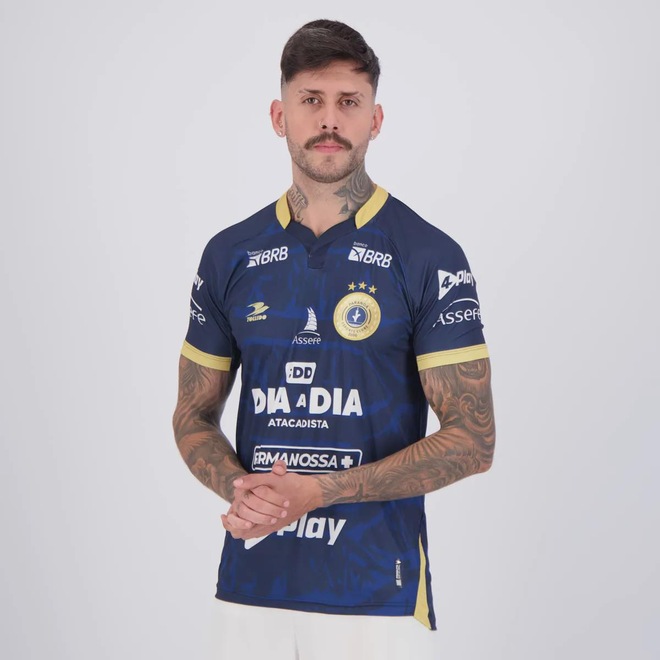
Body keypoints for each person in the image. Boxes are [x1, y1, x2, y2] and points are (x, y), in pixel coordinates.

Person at [173, 19, 495, 660]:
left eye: (349, 102)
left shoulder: (427, 255)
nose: (329, 120)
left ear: (376, 118)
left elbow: (473, 439)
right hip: (250, 591)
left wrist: (319, 491)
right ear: (279, 116)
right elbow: (192, 415)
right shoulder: (229, 254)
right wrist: (245, 493)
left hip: (376, 600)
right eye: (311, 100)